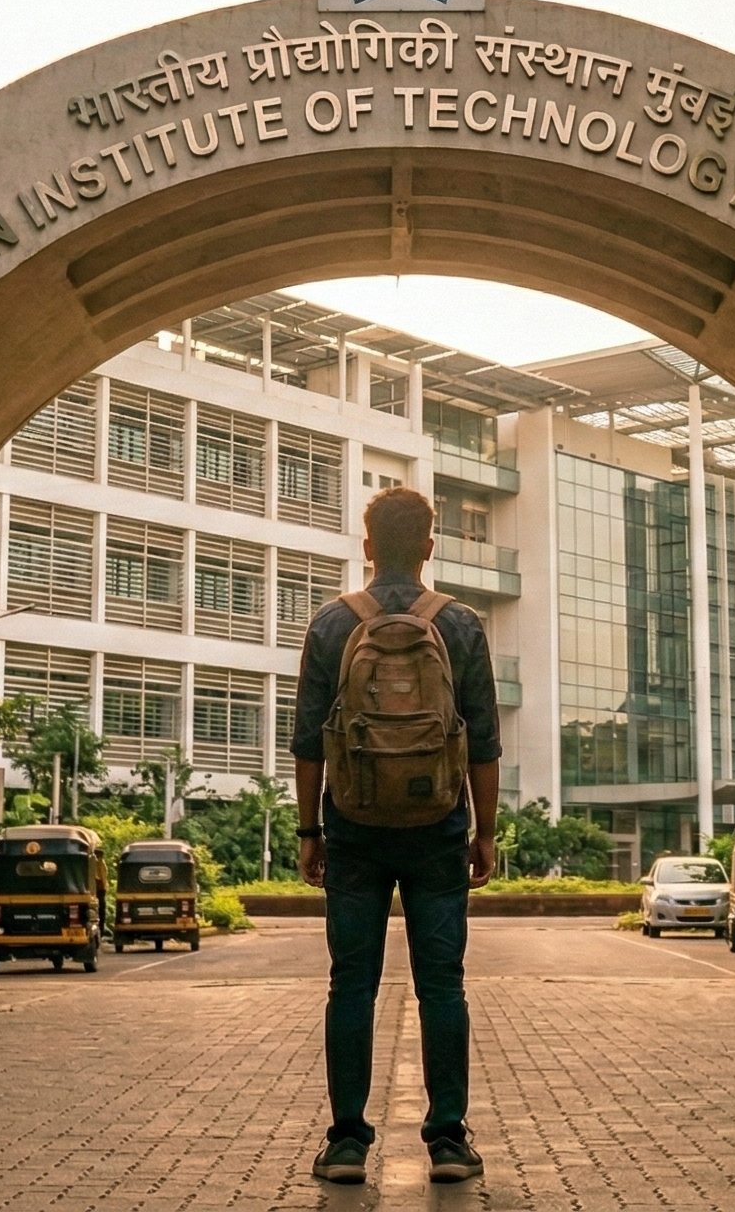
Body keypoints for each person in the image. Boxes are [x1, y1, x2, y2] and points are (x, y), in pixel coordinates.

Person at [294, 485, 500, 1186]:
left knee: (351, 982)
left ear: (368, 544)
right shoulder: (462, 624)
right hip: (439, 823)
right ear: (430, 548)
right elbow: (484, 743)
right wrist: (485, 833)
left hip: (352, 825)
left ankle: (348, 1142)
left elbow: (307, 742)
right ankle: (447, 1142)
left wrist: (308, 830)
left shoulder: (331, 624)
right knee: (442, 983)